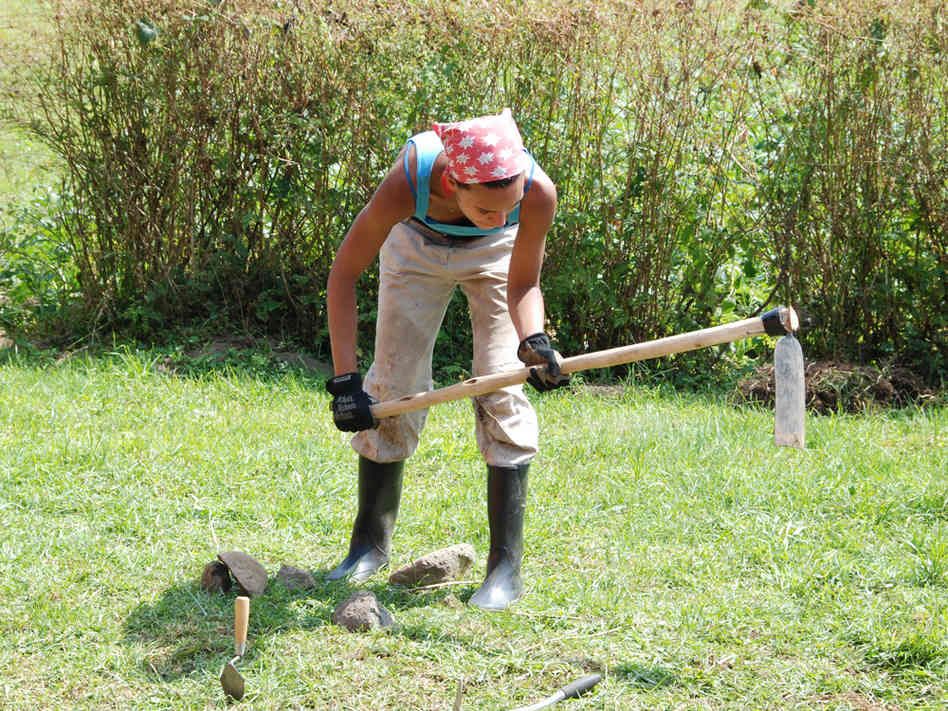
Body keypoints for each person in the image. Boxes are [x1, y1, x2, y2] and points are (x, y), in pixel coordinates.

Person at [324, 108, 569, 611]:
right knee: (392, 389)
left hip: (496, 256)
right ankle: (369, 546)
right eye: (486, 208)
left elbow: (524, 283)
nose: (501, 216)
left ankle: (505, 569)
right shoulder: (409, 179)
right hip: (414, 246)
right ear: (452, 183)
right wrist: (346, 381)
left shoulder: (536, 193)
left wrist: (535, 340)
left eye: (510, 206)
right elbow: (344, 274)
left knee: (501, 387)